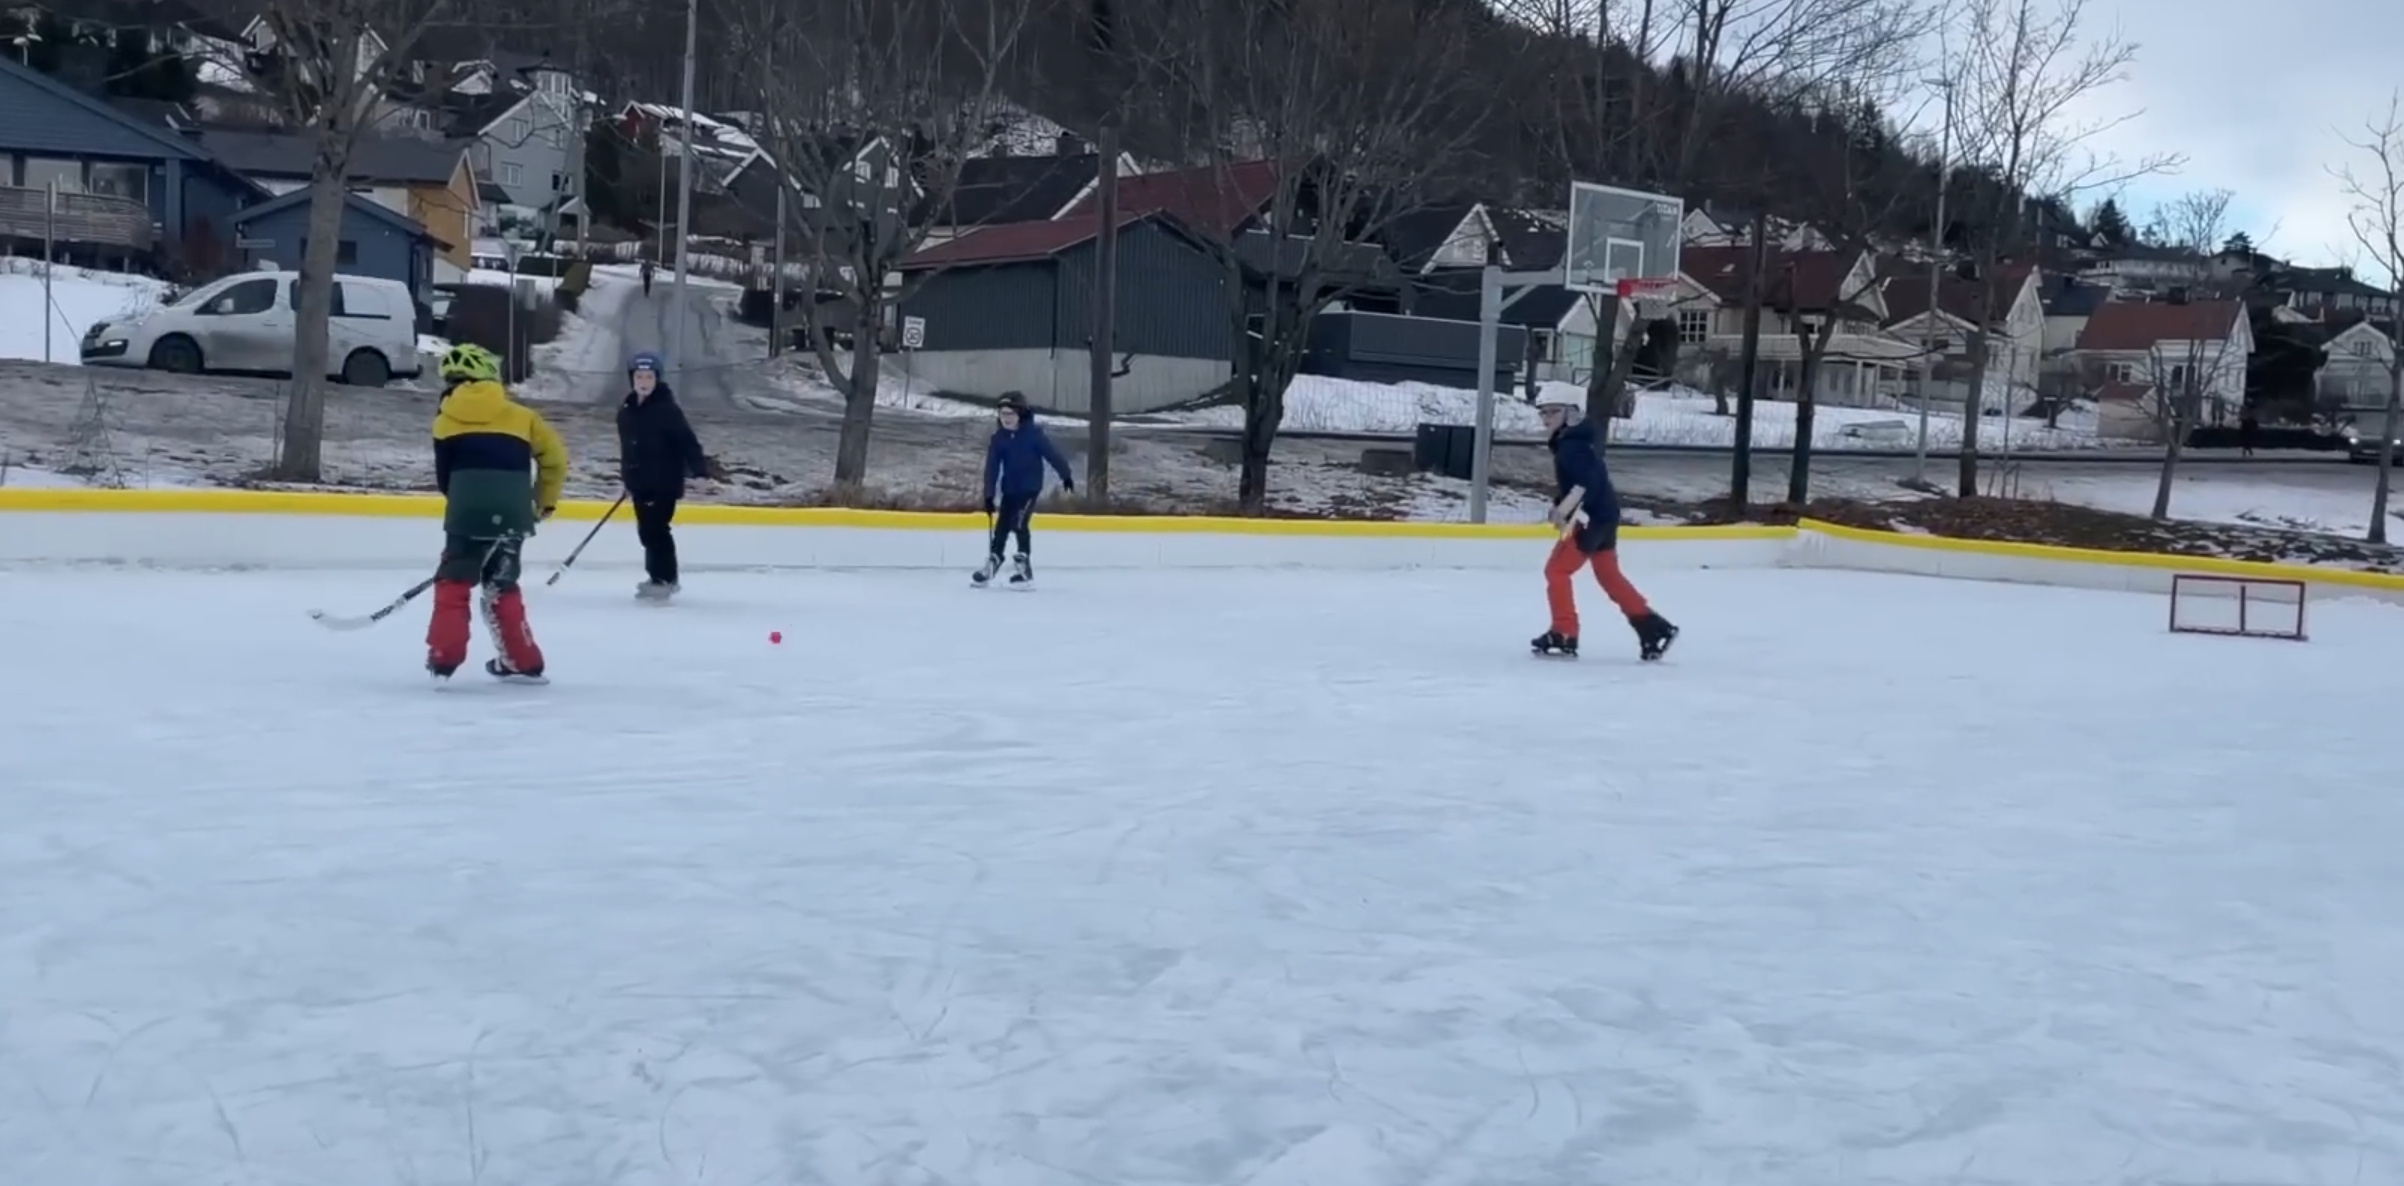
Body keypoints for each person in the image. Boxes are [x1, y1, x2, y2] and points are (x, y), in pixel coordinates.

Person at [427, 341, 568, 682]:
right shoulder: (524, 417)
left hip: (466, 514)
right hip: (512, 514)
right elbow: (555, 460)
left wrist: (467, 504)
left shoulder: (444, 421)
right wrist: (544, 501)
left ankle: (444, 658)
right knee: (502, 585)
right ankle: (523, 661)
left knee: (453, 584)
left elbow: (445, 479)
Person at [1532, 390, 1677, 661]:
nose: (1546, 418)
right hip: (1605, 515)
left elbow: (1585, 484)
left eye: (1553, 411)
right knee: (1608, 575)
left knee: (1557, 570)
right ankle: (1652, 627)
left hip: (1590, 518)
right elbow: (1586, 481)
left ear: (1572, 414)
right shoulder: (1577, 442)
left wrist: (1563, 510)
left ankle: (1564, 632)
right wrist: (1562, 504)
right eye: (1543, 412)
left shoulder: (1571, 446)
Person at [616, 350, 712, 599]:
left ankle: (666, 579)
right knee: (646, 531)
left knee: (657, 530)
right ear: (632, 378)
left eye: (649, 377)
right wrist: (627, 480)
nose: (644, 382)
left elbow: (688, 442)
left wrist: (699, 472)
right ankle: (656, 576)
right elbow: (628, 450)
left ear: (657, 379)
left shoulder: (667, 410)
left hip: (663, 482)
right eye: (639, 377)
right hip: (640, 482)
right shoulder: (627, 411)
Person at [976, 392, 1075, 586]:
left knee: (1019, 523)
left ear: (1020, 414)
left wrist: (1066, 475)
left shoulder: (1033, 435)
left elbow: (1052, 454)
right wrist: (988, 495)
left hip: (1030, 488)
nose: (1006, 418)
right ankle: (995, 559)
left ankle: (1023, 567)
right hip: (1009, 489)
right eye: (1003, 414)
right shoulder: (999, 439)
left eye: (1010, 414)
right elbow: (992, 468)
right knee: (1001, 527)